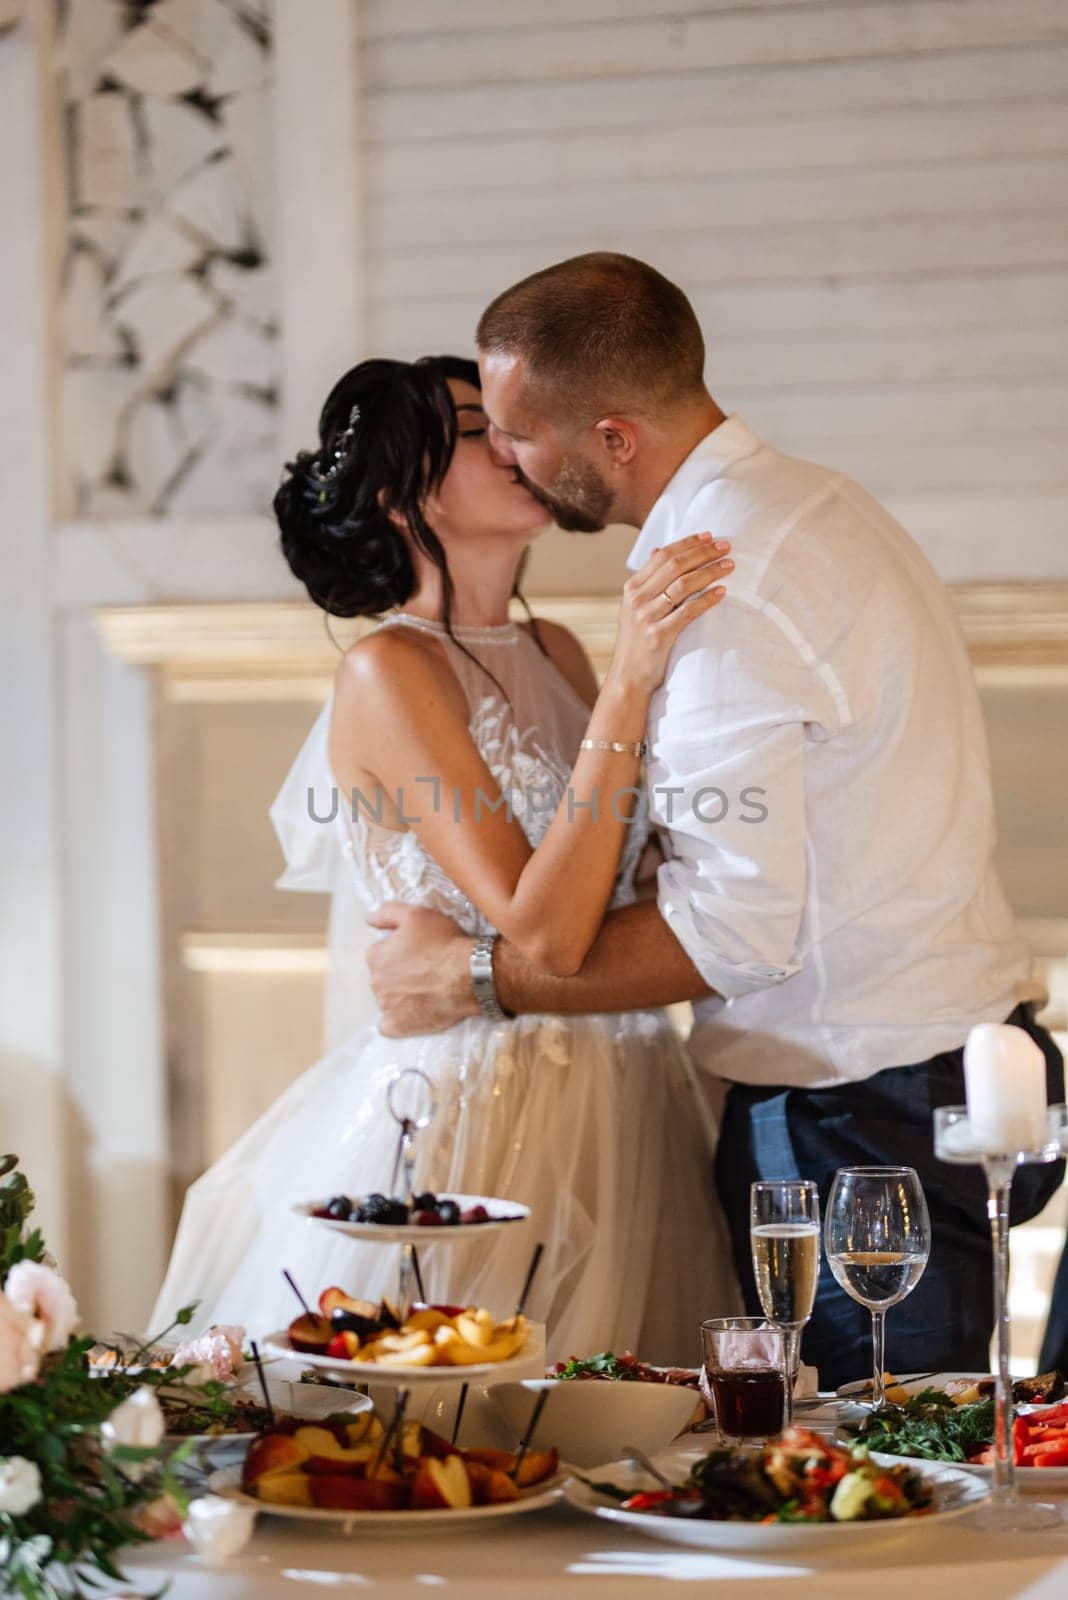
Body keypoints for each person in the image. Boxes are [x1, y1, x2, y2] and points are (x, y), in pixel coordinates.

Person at [363, 256, 1066, 1388]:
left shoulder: (719, 582)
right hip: (926, 1061)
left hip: (854, 1108)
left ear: (614, 436)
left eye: (518, 434)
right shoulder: (814, 503)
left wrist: (477, 980)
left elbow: (731, 934)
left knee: (881, 1494)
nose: (508, 457)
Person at [149, 353, 740, 1363]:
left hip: (630, 1089)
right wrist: (636, 682)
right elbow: (537, 919)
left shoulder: (558, 647)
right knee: (466, 1407)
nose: (520, 446)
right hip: (479, 1109)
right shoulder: (389, 668)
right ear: (396, 489)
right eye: (481, 430)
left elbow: (615, 872)